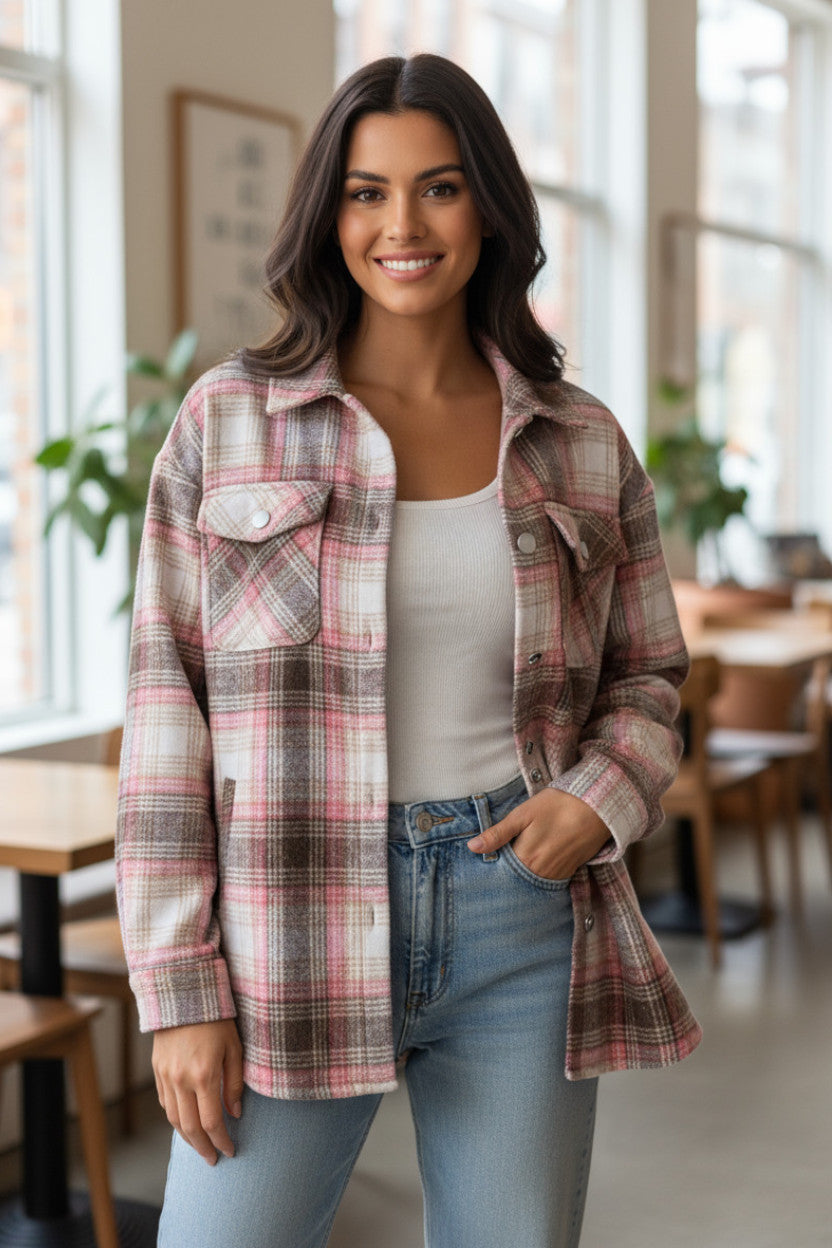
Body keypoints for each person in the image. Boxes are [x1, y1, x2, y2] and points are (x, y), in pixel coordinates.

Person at [116, 52, 702, 1248]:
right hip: (286, 916)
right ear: (327, 217)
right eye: (366, 192)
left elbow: (650, 675)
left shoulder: (581, 440)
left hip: (520, 917)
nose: (402, 225)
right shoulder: (228, 423)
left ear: (488, 206)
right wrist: (179, 990)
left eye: (437, 188)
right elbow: (163, 709)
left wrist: (601, 798)